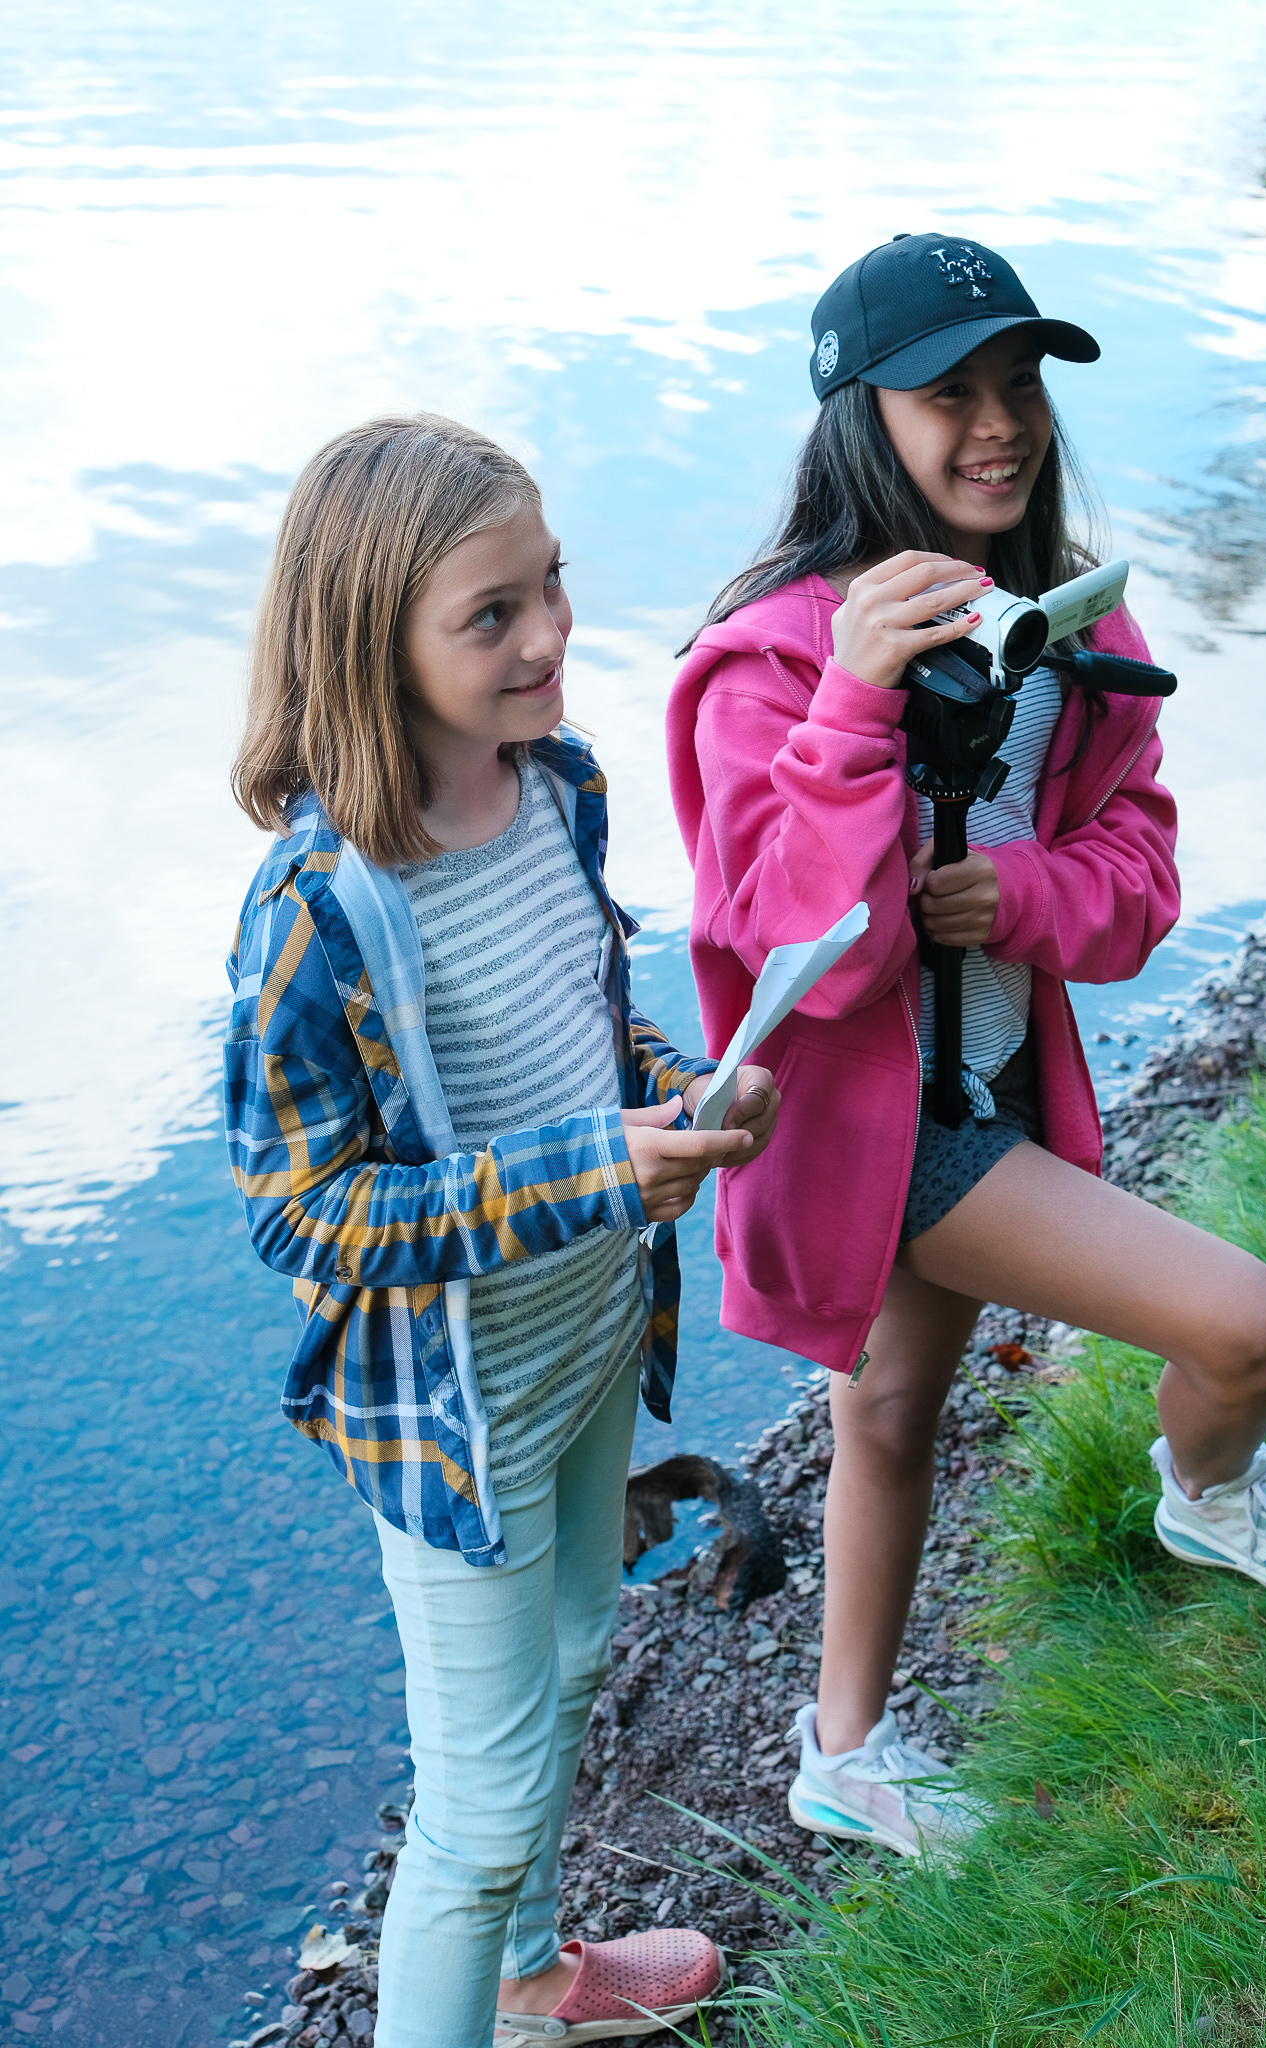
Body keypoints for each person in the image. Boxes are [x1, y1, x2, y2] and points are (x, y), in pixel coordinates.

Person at [665, 233, 1266, 1860]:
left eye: (1019, 387)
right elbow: (788, 948)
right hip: (874, 1140)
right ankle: (1209, 1501)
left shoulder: (1064, 634)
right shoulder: (767, 664)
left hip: (990, 1095)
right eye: (947, 396)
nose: (999, 425)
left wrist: (1022, 892)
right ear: (857, 419)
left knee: (890, 1417)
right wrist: (853, 709)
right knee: (1244, 1326)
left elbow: (1138, 891)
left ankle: (839, 1756)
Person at [223, 414, 780, 2048]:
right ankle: (483, 1963)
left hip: (593, 1330)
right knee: (470, 1815)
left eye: (550, 587)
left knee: (582, 1645)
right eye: (489, 616)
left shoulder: (561, 786)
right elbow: (302, 1216)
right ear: (368, 644)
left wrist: (684, 1093)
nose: (546, 636)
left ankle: (537, 1982)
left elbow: (586, 1024)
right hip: (449, 1413)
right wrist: (592, 1169)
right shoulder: (318, 907)